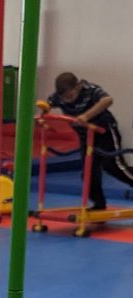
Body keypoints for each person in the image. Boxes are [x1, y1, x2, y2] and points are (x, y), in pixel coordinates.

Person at [46, 72, 133, 211]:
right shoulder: (58, 97)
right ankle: (99, 204)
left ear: (78, 86)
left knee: (113, 166)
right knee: (88, 172)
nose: (68, 101)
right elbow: (47, 103)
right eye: (64, 98)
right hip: (86, 136)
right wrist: (44, 111)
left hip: (104, 132)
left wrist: (86, 116)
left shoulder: (90, 90)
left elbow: (108, 100)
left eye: (70, 96)